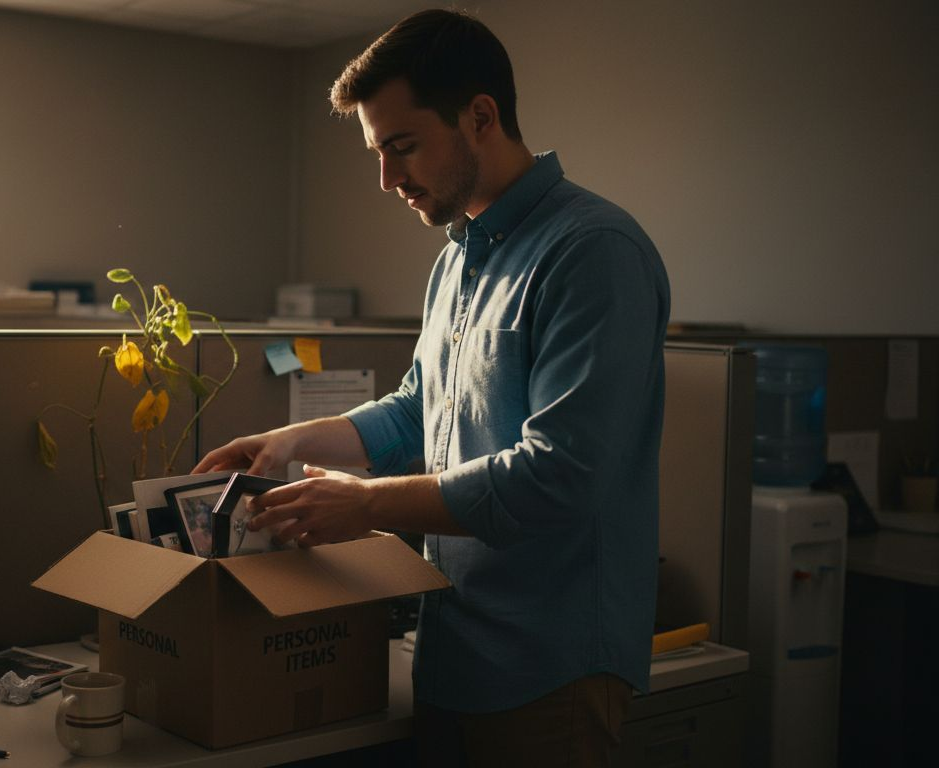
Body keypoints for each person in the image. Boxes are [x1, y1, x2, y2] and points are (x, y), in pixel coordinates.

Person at [193, 8, 670, 767]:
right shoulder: (457, 260)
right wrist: (292, 441)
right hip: (453, 651)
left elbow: (561, 475)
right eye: (377, 153)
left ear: (480, 117)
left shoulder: (592, 253)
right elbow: (422, 410)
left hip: (549, 670)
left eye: (403, 147)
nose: (387, 180)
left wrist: (366, 504)